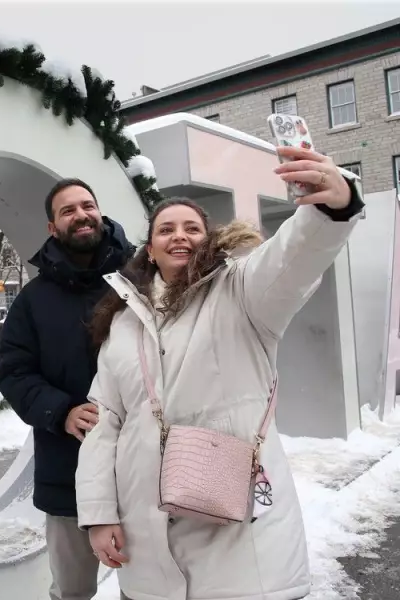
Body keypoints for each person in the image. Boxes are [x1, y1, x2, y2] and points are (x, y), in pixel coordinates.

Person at [75, 145, 364, 600]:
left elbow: (292, 260)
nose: (180, 236)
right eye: (166, 229)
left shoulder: (245, 294)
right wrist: (98, 513)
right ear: (149, 250)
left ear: (207, 240)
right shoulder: (123, 324)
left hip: (243, 548)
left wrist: (332, 207)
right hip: (146, 544)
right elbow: (104, 423)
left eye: (192, 228)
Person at [0, 177, 136, 600]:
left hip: (143, 466)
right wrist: (60, 412)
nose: (81, 215)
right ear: (53, 228)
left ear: (100, 213)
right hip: (68, 472)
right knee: (72, 591)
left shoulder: (141, 280)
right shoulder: (33, 300)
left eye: (86, 205)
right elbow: (13, 371)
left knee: (153, 586)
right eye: (67, 210)